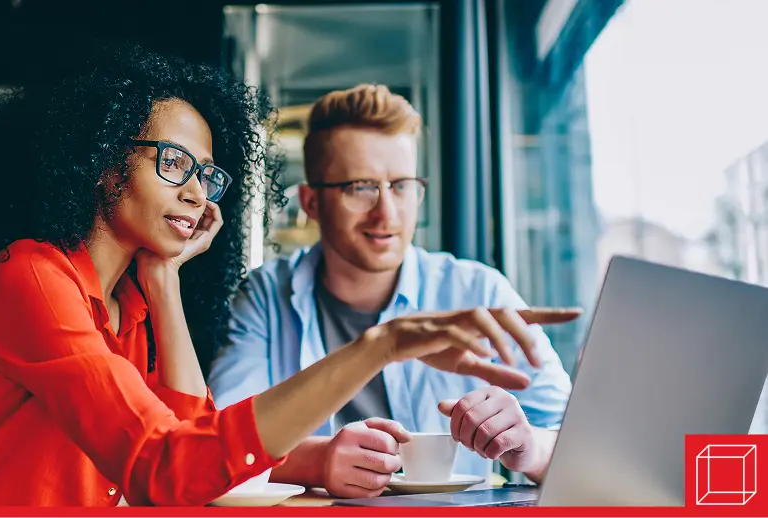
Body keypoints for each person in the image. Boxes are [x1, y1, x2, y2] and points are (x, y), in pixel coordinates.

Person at [0, 44, 577, 507]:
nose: (197, 193)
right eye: (173, 163)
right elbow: (167, 466)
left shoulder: (128, 304)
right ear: (100, 161)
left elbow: (191, 444)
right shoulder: (33, 279)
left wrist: (163, 283)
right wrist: (381, 346)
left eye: (206, 174)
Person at [208, 84, 577, 499]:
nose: (387, 212)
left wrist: (529, 448)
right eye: (360, 187)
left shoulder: (478, 290)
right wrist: (318, 459)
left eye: (401, 185)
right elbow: (217, 443)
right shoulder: (265, 296)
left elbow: (579, 444)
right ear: (311, 202)